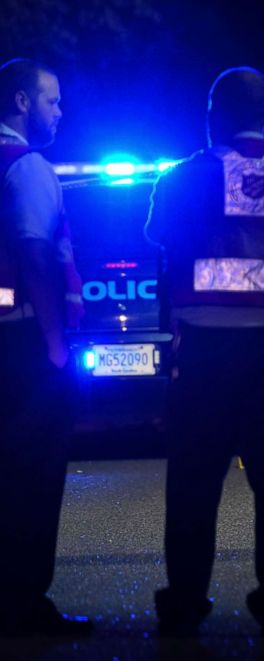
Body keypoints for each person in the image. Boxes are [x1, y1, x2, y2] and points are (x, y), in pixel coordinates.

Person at [145, 66, 264, 638]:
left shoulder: (185, 176)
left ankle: (185, 601)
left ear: (212, 114)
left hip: (207, 350)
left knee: (195, 480)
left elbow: (156, 237)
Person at [0, 58, 91, 637]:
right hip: (22, 344)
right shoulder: (26, 165)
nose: (60, 112)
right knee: (34, 477)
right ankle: (26, 604)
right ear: (22, 102)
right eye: (52, 101)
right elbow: (36, 253)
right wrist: (57, 344)